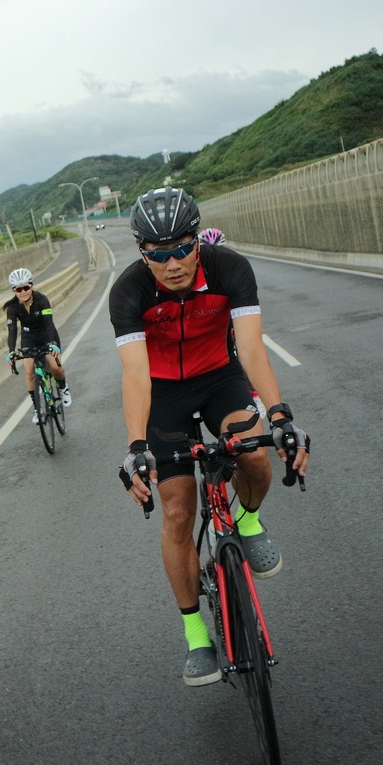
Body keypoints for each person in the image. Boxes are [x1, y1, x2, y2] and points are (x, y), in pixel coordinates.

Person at [108, 188, 311, 686]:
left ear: (198, 241)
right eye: (158, 253)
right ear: (141, 252)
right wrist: (137, 448)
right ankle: (197, 635)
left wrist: (281, 416)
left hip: (220, 378)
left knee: (255, 455)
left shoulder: (229, 269)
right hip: (163, 393)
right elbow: (135, 374)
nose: (173, 263)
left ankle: (248, 519)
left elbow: (252, 347)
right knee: (178, 511)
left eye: (182, 248)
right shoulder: (129, 291)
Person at [3, 266, 69, 423]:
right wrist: (11, 352)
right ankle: (36, 408)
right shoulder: (12, 307)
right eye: (19, 289)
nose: (23, 292)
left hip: (46, 335)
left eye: (26, 287)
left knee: (55, 367)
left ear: (31, 286)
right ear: (14, 290)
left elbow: (49, 324)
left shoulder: (42, 300)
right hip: (29, 337)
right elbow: (12, 330)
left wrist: (53, 344)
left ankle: (63, 388)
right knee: (29, 372)